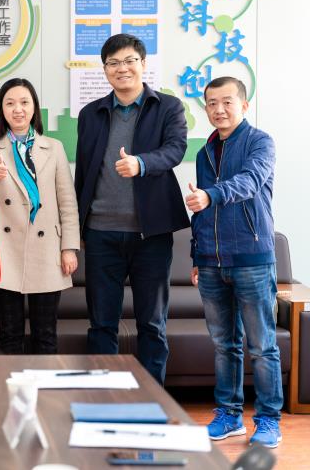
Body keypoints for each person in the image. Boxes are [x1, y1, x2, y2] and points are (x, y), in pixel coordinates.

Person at [74, 33, 189, 384]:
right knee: (102, 324)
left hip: (150, 233)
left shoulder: (168, 107)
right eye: (113, 63)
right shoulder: (90, 113)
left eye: (129, 61)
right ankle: (103, 396)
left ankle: (152, 398)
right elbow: (83, 172)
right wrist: (77, 228)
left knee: (152, 324)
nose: (121, 68)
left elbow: (175, 150)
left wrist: (142, 163)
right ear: (105, 69)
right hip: (100, 233)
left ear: (143, 64)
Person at [186, 76, 282, 448]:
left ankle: (269, 421)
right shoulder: (204, 152)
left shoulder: (260, 142)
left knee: (262, 346)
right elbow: (201, 209)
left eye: (227, 102)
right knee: (225, 345)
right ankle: (229, 415)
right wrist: (197, 255)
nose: (219, 109)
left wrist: (211, 195)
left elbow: (250, 182)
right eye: (211, 103)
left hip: (252, 259)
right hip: (212, 262)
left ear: (244, 105)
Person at [0, 78, 80, 354]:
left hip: (47, 250)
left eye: (24, 102)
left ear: (34, 108)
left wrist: (69, 248)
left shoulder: (54, 147)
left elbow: (67, 202)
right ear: (1, 110)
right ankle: (10, 383)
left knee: (45, 334)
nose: (18, 109)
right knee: (9, 334)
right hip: (6, 252)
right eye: (10, 103)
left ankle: (44, 384)